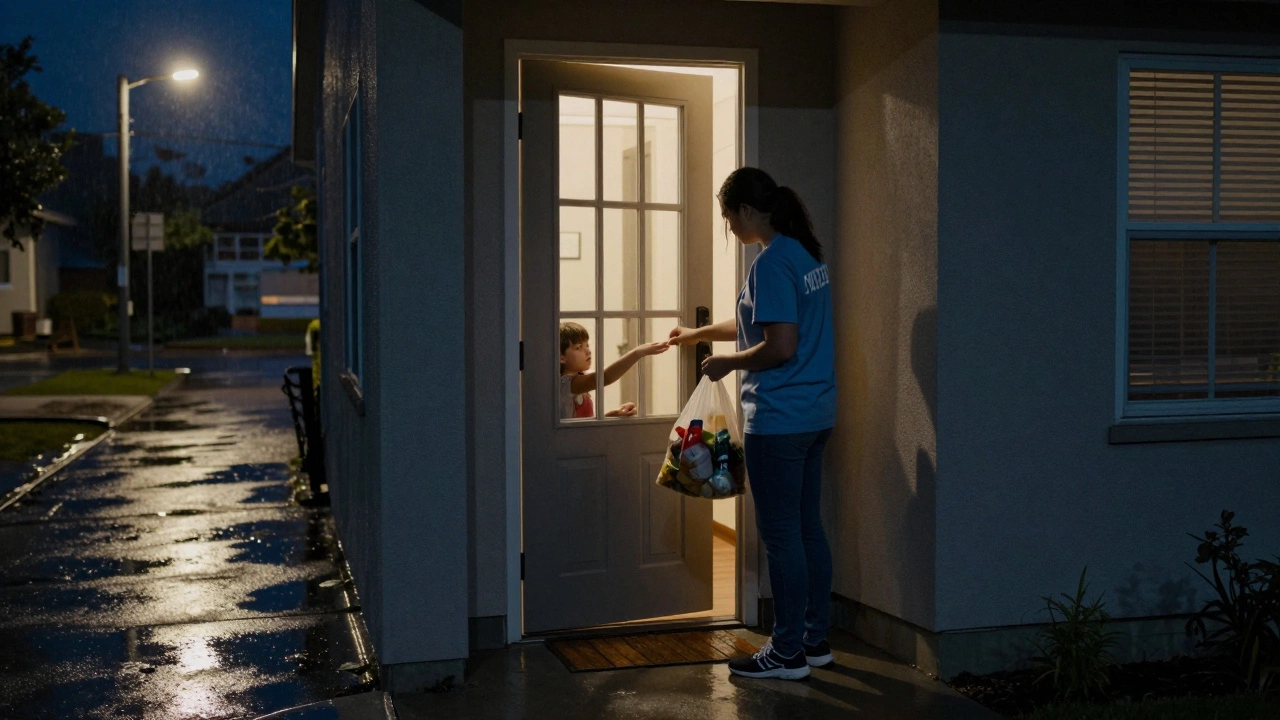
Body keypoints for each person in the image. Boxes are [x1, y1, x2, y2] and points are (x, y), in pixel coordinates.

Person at [669, 167, 836, 681]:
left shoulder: (771, 263)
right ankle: (813, 640)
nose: (729, 227)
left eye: (727, 217)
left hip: (780, 420)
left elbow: (779, 346)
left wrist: (727, 363)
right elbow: (758, 322)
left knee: (782, 535)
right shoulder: (805, 255)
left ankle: (786, 653)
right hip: (816, 414)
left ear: (745, 211)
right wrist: (698, 332)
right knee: (807, 529)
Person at [560, 322, 669, 419]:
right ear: (561, 357)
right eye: (578, 347)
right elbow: (605, 377)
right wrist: (637, 352)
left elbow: (584, 423)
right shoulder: (566, 383)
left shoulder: (579, 381)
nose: (588, 351)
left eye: (587, 345)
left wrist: (611, 415)